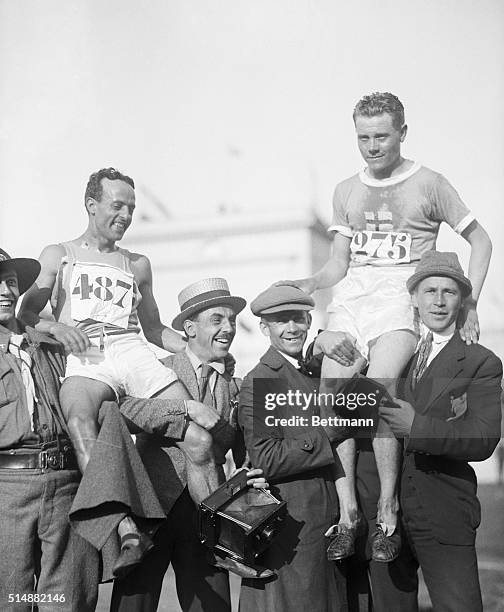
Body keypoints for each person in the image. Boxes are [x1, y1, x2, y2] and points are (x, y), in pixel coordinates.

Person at [277, 91, 493, 562]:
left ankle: (388, 512)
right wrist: (310, 282)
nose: (372, 146)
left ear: (401, 133)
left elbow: (481, 240)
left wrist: (469, 300)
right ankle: (350, 514)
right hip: (354, 297)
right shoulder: (345, 190)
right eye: (363, 137)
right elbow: (338, 263)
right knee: (334, 396)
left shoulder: (430, 183)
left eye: (381, 136)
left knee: (376, 390)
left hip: (399, 297)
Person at [19, 167, 225, 573]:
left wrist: (199, 350)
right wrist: (56, 326)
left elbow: (152, 329)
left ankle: (221, 535)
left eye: (131, 208)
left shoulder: (138, 264)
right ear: (91, 205)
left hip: (130, 348)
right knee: (80, 419)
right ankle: (126, 530)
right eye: (117, 206)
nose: (126, 215)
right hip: (86, 354)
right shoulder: (59, 254)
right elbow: (26, 313)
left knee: (198, 437)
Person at [112, 278, 271, 612]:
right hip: (151, 512)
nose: (228, 328)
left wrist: (249, 474)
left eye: (231, 320)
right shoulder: (157, 371)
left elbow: (243, 449)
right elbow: (122, 410)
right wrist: (186, 410)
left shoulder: (237, 385)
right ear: (189, 327)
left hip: (209, 519)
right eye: (217, 320)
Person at [379, 251, 502, 612]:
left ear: (462, 299)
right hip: (386, 519)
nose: (438, 300)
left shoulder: (480, 361)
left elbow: (482, 438)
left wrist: (418, 428)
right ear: (414, 298)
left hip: (444, 512)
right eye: (429, 290)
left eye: (448, 292)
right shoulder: (391, 354)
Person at [0, 249, 99, 612]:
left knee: (68, 602)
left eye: (10, 282)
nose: (5, 290)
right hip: (5, 493)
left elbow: (112, 370)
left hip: (68, 485)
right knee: (11, 602)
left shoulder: (50, 344)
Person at [238, 285, 348, 612]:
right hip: (292, 525)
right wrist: (324, 434)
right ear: (264, 328)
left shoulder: (318, 371)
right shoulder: (263, 379)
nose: (291, 328)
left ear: (309, 320)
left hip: (326, 519)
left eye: (298, 319)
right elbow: (265, 458)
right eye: (280, 321)